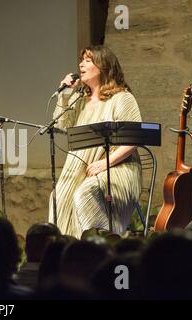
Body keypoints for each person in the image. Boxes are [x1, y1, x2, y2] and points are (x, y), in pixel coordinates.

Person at [48, 45, 142, 238]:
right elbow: (61, 125)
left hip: (116, 167)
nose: (81, 64)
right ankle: (67, 249)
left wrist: (104, 164)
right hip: (83, 166)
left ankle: (99, 245)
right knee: (58, 197)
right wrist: (65, 95)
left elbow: (133, 139)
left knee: (85, 193)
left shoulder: (122, 98)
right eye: (81, 60)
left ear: (103, 66)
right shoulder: (80, 99)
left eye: (88, 60)